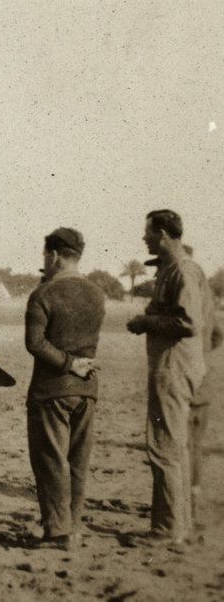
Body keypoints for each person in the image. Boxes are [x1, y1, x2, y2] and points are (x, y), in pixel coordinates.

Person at [126, 209, 209, 544]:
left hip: (173, 368)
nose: (144, 239)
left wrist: (147, 323)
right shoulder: (180, 269)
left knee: (164, 446)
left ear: (162, 233)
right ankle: (180, 526)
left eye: (148, 233)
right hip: (178, 367)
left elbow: (189, 323)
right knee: (174, 446)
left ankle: (166, 530)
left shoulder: (181, 270)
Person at [23, 228, 105, 550]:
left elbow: (35, 343)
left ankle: (57, 531)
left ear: (53, 256)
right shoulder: (98, 293)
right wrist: (78, 365)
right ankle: (75, 526)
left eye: (46, 255)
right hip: (88, 388)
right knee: (77, 462)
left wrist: (67, 364)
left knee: (50, 460)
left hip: (51, 389)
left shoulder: (43, 294)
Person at [179, 246, 221, 526]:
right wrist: (202, 352)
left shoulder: (182, 292)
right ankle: (192, 499)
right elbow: (217, 334)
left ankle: (182, 505)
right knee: (194, 444)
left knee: (180, 444)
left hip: (184, 377)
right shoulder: (205, 294)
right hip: (204, 377)